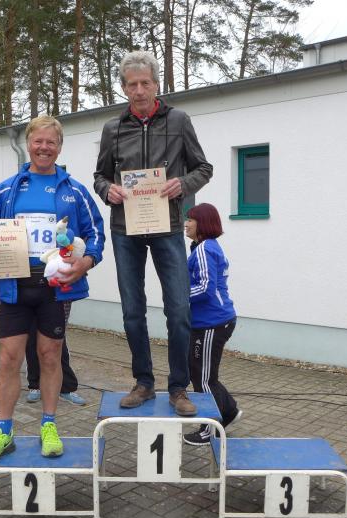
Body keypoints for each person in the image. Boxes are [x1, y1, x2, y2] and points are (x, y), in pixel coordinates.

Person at [0, 116, 104, 465]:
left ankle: (49, 425)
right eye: (38, 141)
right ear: (29, 144)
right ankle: (3, 431)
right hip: (14, 284)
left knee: (50, 356)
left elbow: (96, 233)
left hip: (56, 288)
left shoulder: (74, 190)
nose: (44, 148)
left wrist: (86, 262)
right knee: (9, 358)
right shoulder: (7, 188)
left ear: (60, 147)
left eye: (51, 142)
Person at [94, 50, 212, 416]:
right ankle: (143, 383)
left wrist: (183, 184)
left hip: (168, 227)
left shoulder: (179, 120)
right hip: (125, 229)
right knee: (133, 311)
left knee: (178, 310)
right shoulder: (112, 129)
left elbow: (203, 168)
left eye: (146, 83)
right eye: (132, 84)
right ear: (124, 88)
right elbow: (99, 176)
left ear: (157, 85)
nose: (140, 90)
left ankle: (178, 388)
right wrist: (108, 190)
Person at [182, 203, 242, 446]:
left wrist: (179, 297)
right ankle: (228, 411)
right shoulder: (205, 247)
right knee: (204, 374)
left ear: (203, 224)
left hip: (212, 323)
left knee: (203, 378)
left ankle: (209, 429)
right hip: (211, 321)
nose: (186, 224)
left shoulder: (205, 248)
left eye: (190, 220)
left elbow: (206, 288)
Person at [25, 301, 86, 406]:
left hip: (57, 300)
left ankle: (66, 388)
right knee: (32, 345)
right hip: (30, 301)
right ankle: (35, 386)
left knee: (59, 348)